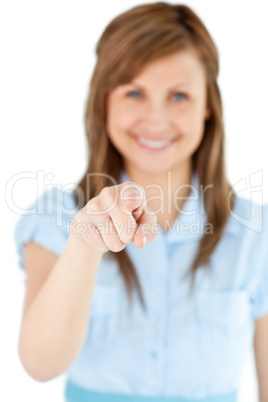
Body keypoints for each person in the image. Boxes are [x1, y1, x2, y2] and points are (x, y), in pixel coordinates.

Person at [13, 2, 268, 402]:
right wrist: (85, 243)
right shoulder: (54, 219)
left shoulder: (257, 233)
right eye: (134, 92)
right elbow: (40, 364)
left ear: (207, 108)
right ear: (104, 101)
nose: (156, 118)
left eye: (179, 96)